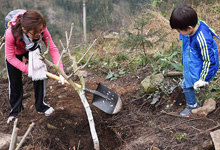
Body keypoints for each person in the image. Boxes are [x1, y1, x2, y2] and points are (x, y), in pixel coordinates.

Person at [5, 9, 65, 123]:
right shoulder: (11, 33)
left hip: (33, 49)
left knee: (40, 74)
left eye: (40, 30)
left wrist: (60, 70)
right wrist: (27, 69)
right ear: (24, 29)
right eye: (36, 32)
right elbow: (10, 58)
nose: (39, 33)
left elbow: (52, 48)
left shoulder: (40, 28)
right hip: (16, 51)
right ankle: (15, 111)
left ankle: (41, 105)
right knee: (15, 80)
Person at [169, 5, 219, 117]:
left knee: (187, 86)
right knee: (187, 80)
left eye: (179, 30)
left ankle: (192, 106)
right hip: (193, 61)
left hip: (200, 67)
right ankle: (189, 84)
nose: (178, 32)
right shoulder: (193, 29)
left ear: (190, 28)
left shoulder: (202, 39)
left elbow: (209, 60)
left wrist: (204, 78)